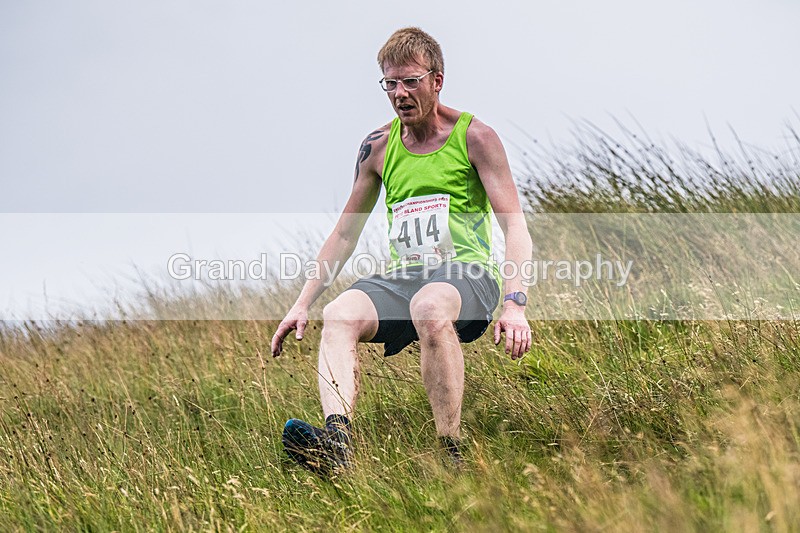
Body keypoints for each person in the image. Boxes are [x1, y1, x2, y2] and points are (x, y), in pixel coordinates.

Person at [271, 27, 533, 473]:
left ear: (437, 80)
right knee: (338, 315)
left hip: (466, 275)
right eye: (390, 83)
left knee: (429, 307)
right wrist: (302, 302)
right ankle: (336, 444)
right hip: (405, 276)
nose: (399, 93)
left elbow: (515, 226)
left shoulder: (476, 137)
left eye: (410, 81)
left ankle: (452, 454)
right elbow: (344, 235)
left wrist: (515, 304)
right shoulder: (376, 147)